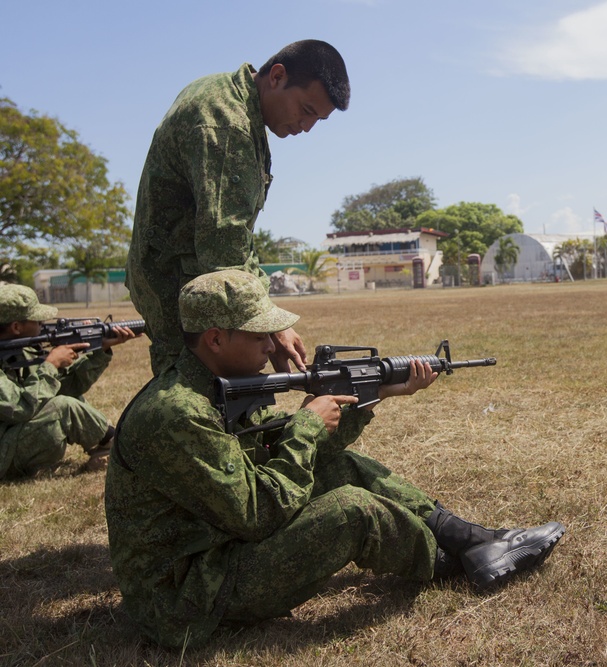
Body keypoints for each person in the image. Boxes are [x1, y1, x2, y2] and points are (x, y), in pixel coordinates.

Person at [104, 269, 565, 649]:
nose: (272, 344)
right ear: (216, 339)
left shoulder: (219, 385)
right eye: (260, 334)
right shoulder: (176, 413)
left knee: (343, 469)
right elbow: (258, 514)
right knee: (350, 512)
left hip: (214, 547)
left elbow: (278, 463)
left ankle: (473, 539)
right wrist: (305, 426)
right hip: (185, 597)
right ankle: (452, 561)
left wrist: (374, 394)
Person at [126, 39, 351, 376]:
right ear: (276, 76)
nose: (306, 127)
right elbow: (224, 246)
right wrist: (270, 321)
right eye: (306, 110)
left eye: (318, 119)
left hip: (185, 275)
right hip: (183, 285)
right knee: (192, 402)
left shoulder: (227, 95)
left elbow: (235, 234)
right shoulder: (228, 124)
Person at [0, 285, 138, 478]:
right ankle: (117, 444)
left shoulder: (18, 352)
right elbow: (20, 407)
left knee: (62, 396)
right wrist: (51, 365)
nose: (43, 324)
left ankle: (107, 446)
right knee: (62, 407)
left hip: (9, 438)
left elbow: (66, 388)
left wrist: (101, 351)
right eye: (38, 320)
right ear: (16, 327)